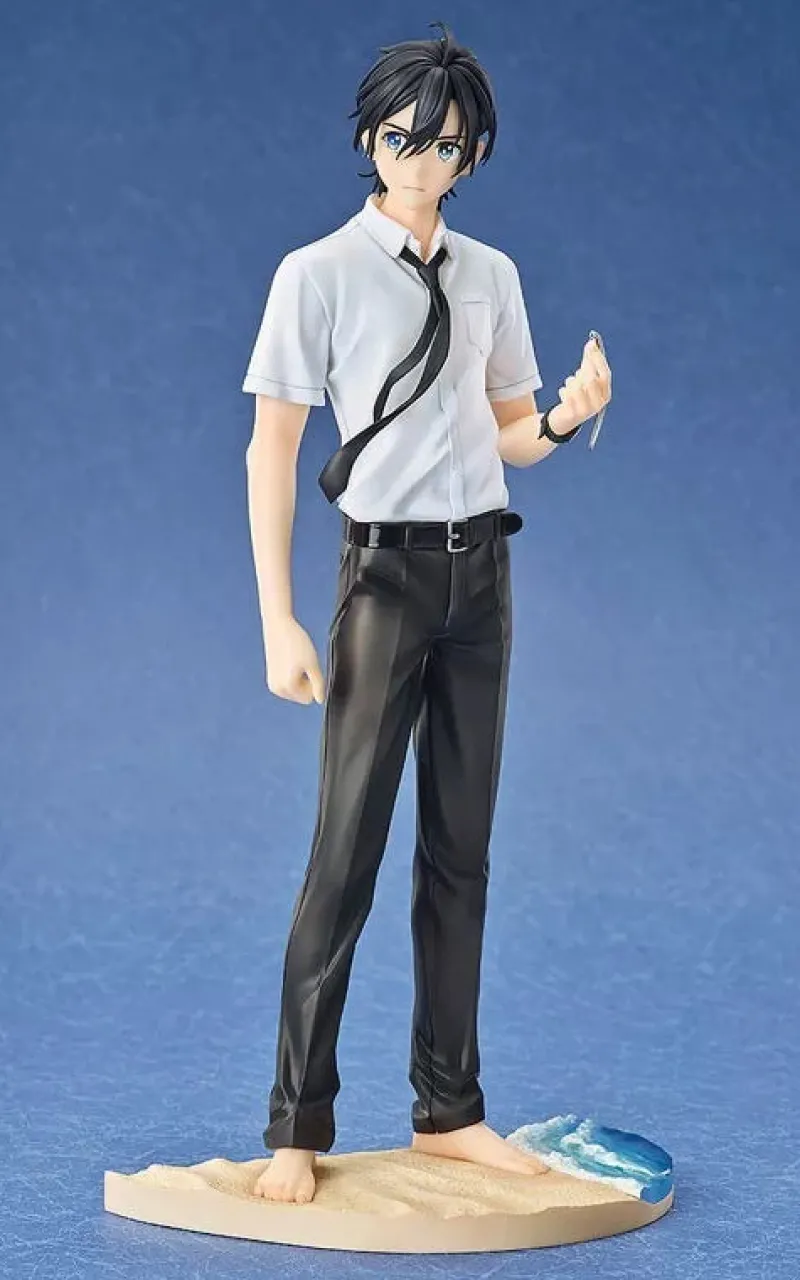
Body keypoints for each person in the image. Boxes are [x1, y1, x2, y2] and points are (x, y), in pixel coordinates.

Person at [241, 22, 611, 1205]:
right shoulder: (315, 273)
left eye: (443, 145)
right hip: (383, 579)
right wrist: (277, 616)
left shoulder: (490, 275)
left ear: (472, 155)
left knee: (460, 851)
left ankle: (448, 1108)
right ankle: (295, 1120)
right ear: (369, 138)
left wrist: (560, 418)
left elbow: (503, 431)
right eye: (401, 138)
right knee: (343, 851)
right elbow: (271, 447)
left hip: (479, 575)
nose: (419, 160)